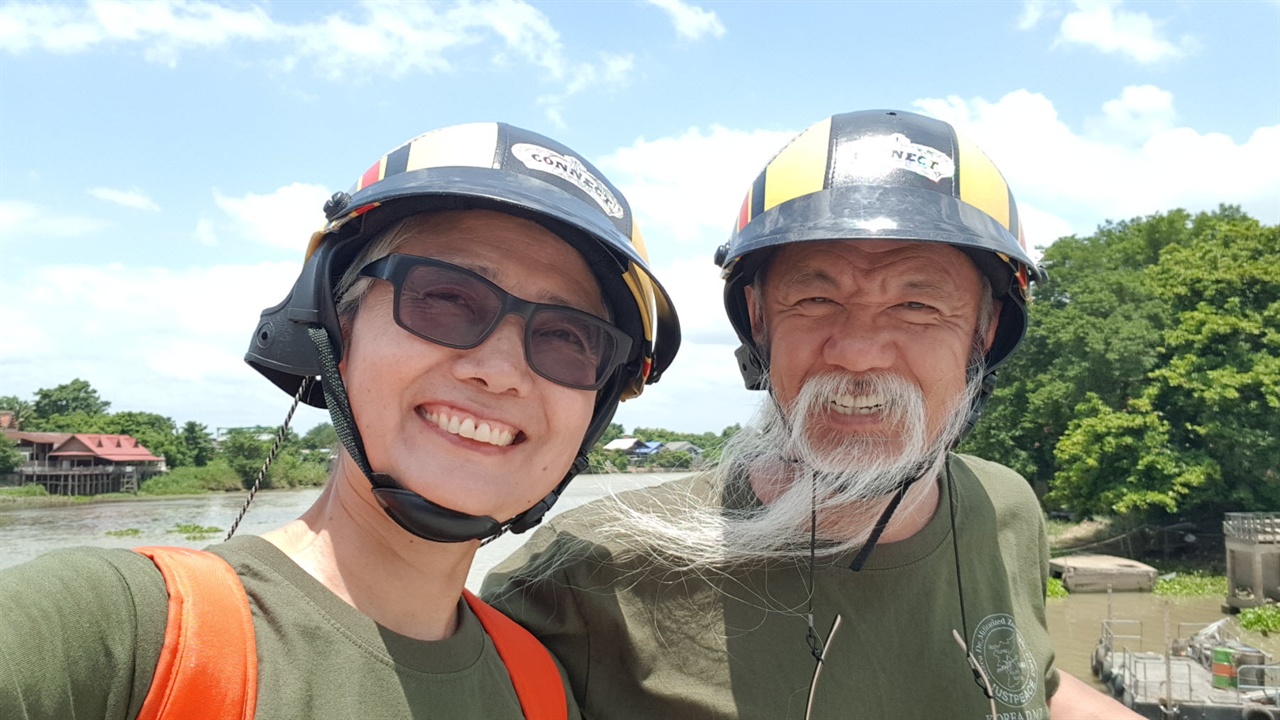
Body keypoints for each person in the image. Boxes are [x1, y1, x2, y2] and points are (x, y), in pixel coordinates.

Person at [0, 122, 680, 719]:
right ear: (333, 328)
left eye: (568, 337)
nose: (499, 370)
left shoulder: (538, 688)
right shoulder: (112, 633)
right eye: (445, 298)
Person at [483, 110, 1138, 718]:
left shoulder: (1006, 511)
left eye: (916, 306)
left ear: (986, 333)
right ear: (761, 323)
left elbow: (1035, 684)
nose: (856, 353)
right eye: (816, 298)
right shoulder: (587, 579)